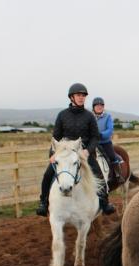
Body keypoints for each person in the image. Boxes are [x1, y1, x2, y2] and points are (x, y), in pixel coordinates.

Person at [35, 83, 116, 217]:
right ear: (72, 97)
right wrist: (52, 154)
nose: (81, 98)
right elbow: (56, 137)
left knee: (98, 174)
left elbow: (95, 137)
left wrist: (87, 151)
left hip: (83, 152)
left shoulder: (89, 116)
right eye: (79, 95)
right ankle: (43, 203)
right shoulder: (62, 115)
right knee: (47, 175)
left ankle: (104, 202)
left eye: (83, 96)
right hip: (65, 152)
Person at [92, 97, 125, 183]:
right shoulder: (90, 117)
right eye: (97, 105)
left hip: (105, 143)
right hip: (93, 143)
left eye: (101, 105)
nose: (99, 107)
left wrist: (101, 135)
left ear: (103, 107)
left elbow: (110, 130)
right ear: (94, 107)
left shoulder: (107, 117)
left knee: (112, 156)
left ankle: (118, 175)